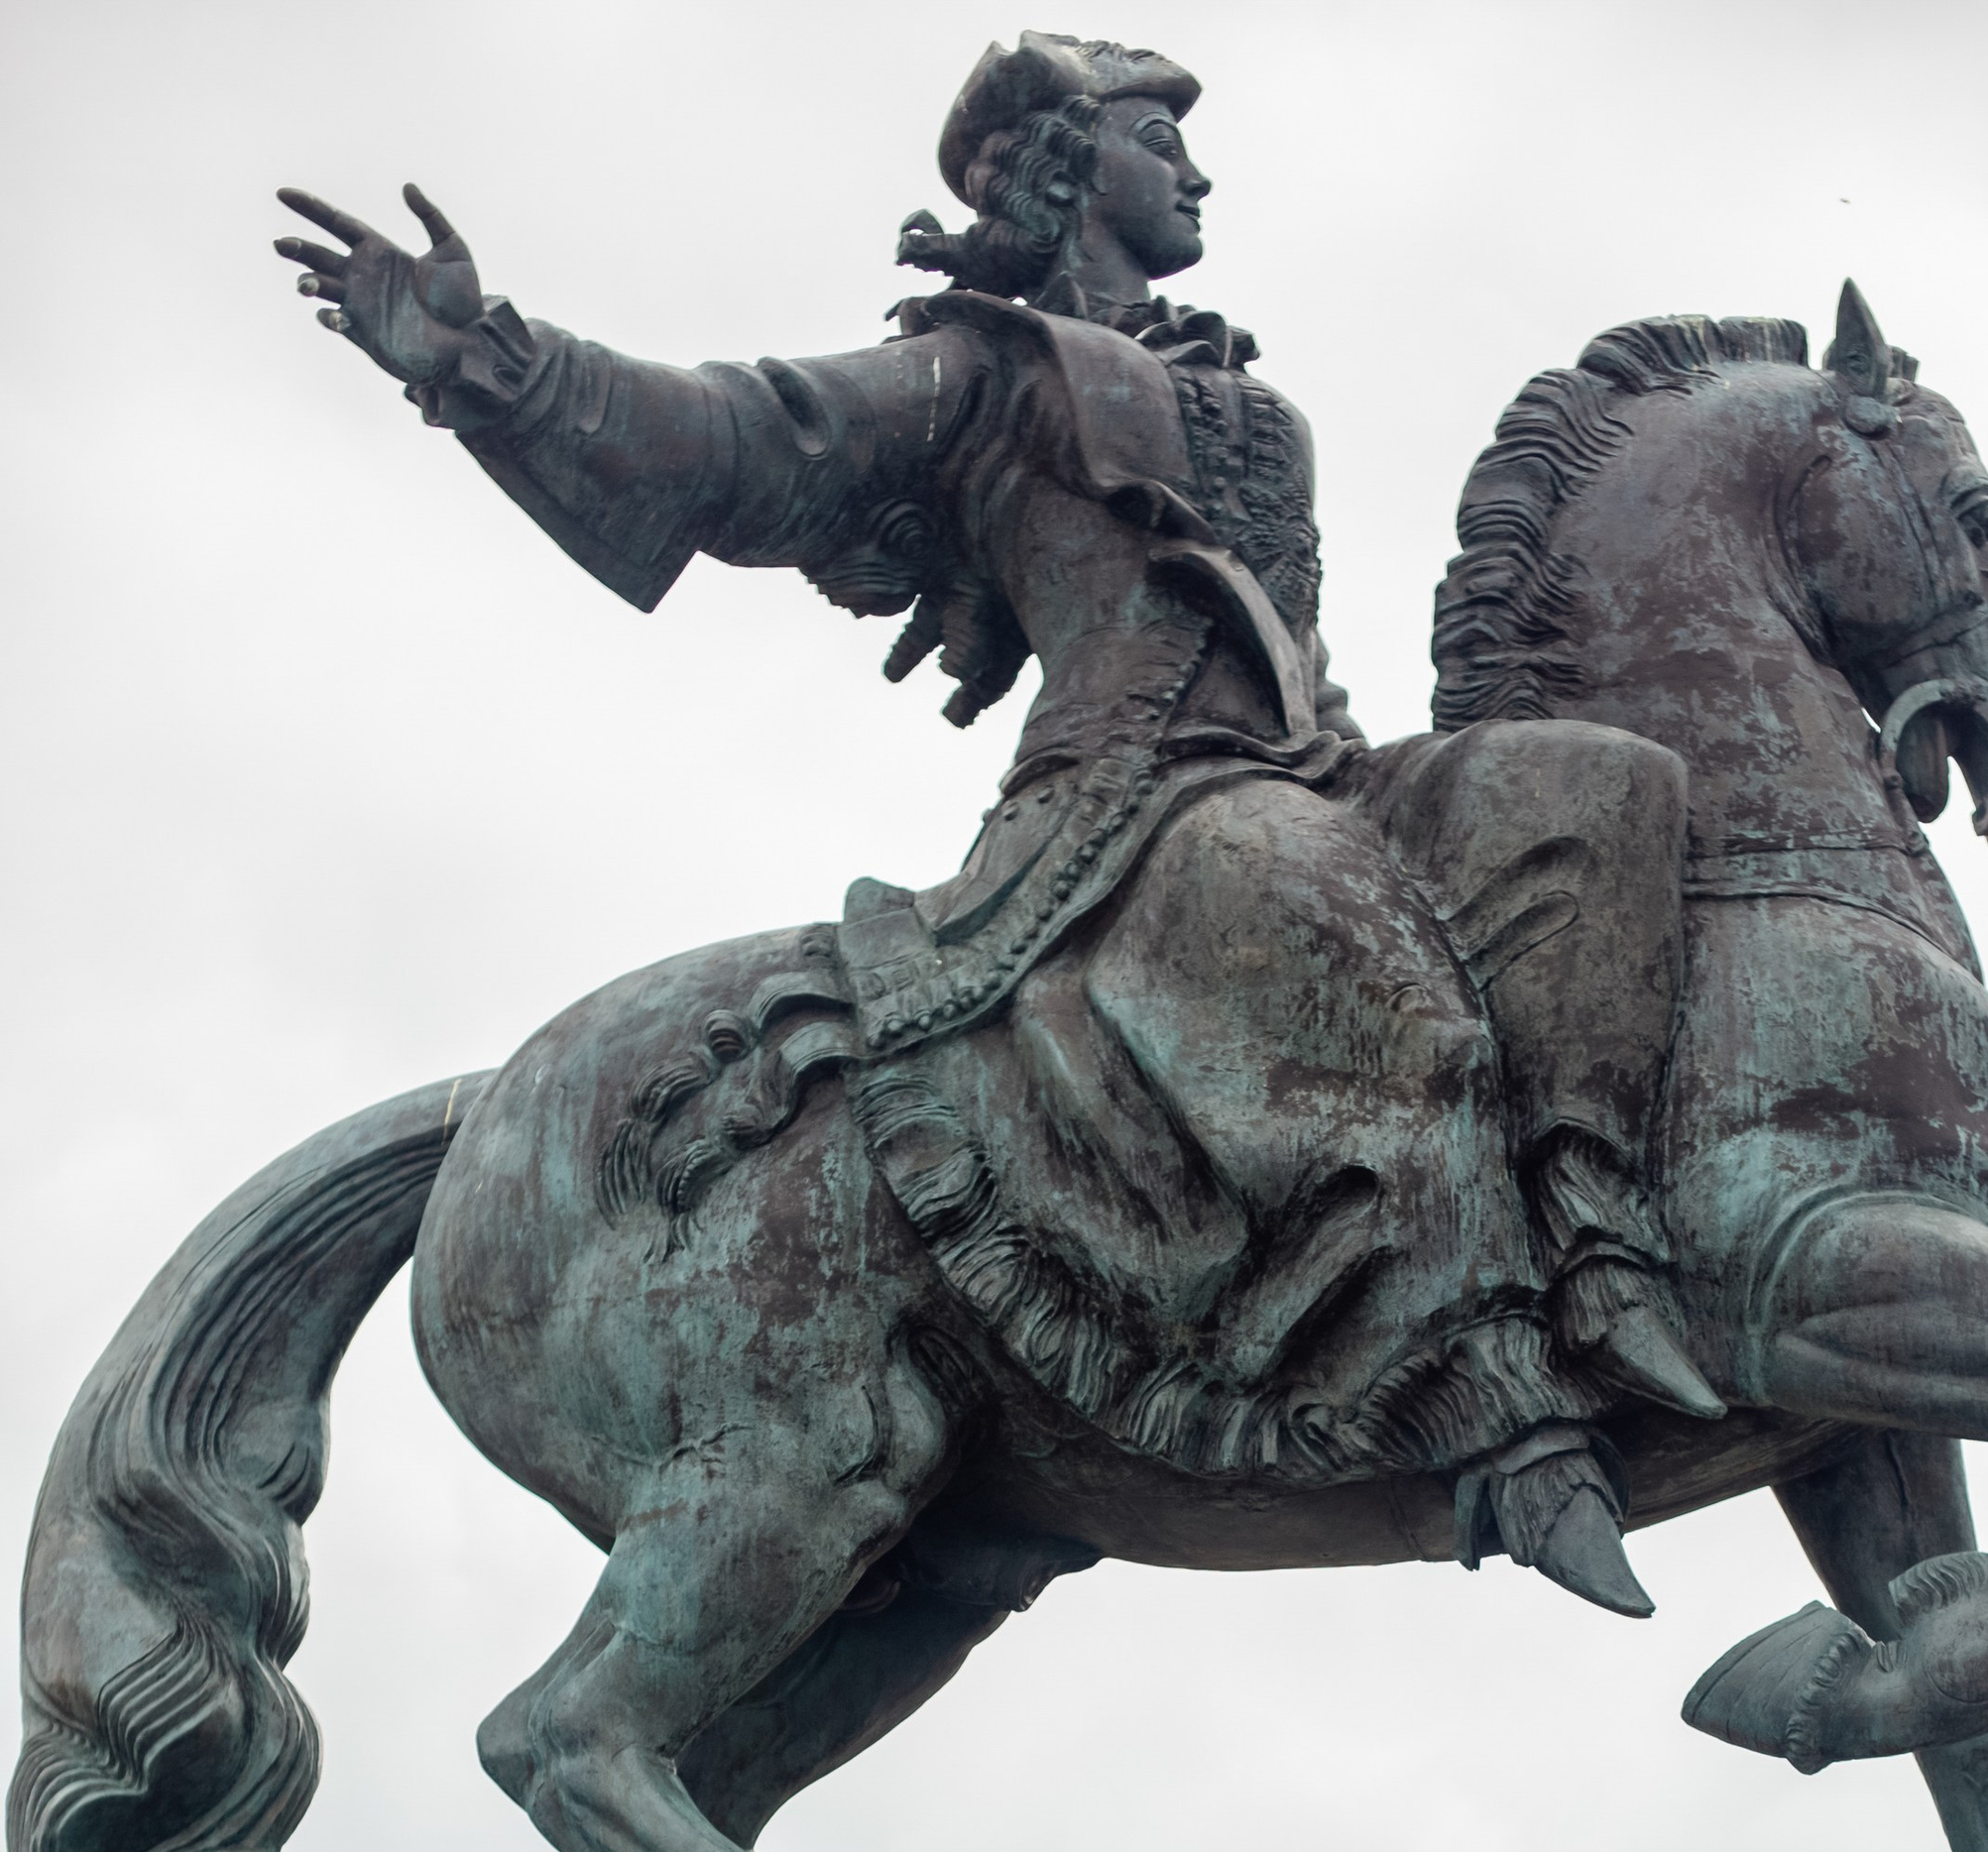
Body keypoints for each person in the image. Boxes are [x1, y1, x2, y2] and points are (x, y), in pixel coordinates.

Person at [271, 33, 1709, 1618]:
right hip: (1137, 801)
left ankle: (1595, 1232)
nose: (1200, 170)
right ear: (1064, 163)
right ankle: (1484, 1395)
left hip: (1307, 759)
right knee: (1332, 930)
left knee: (1600, 781)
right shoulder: (986, 370)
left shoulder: (1236, 391)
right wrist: (494, 361)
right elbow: (747, 436)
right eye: (1162, 138)